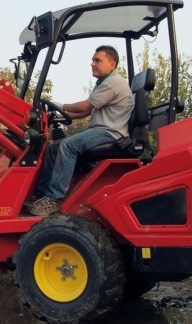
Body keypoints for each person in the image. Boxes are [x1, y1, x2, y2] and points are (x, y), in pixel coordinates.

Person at [28, 45, 135, 217]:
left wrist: (58, 105)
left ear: (112, 64)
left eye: (97, 60)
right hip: (102, 130)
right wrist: (58, 114)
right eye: (93, 60)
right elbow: (87, 111)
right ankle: (42, 195)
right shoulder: (104, 83)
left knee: (68, 146)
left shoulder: (113, 83)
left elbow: (84, 106)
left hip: (111, 134)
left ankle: (54, 199)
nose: (92, 63)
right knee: (54, 148)